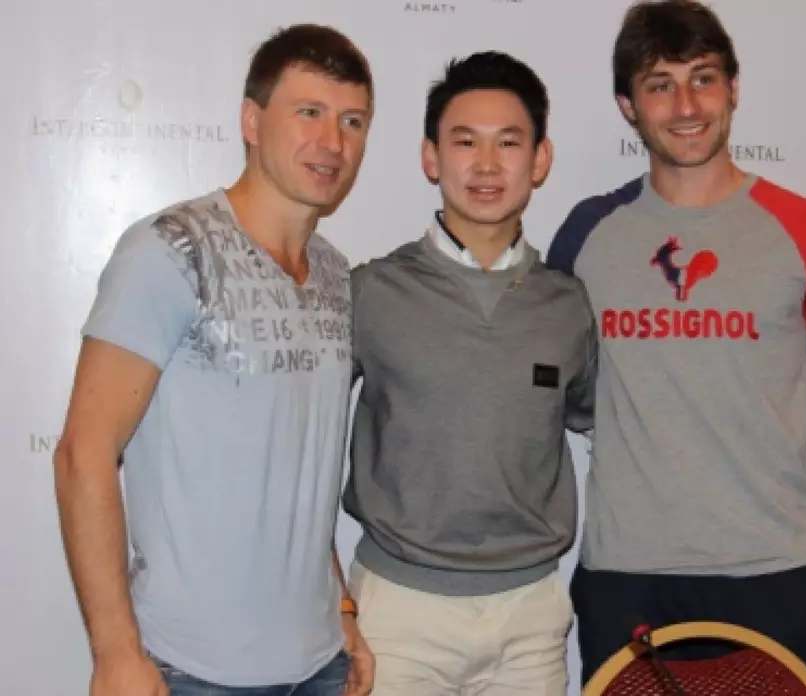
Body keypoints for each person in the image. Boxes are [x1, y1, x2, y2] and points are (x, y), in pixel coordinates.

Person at [546, 0, 806, 688]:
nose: (686, 105)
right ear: (627, 106)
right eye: (659, 84)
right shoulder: (586, 233)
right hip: (626, 579)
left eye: (702, 78)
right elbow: (550, 391)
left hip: (775, 577)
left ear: (732, 88)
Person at [53, 24, 376, 696]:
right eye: (309, 112)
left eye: (352, 121)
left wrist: (342, 608)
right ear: (252, 122)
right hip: (190, 671)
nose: (333, 141)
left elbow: (300, 468)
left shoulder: (334, 274)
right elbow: (84, 452)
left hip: (321, 664)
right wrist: (115, 653)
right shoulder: (172, 249)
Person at [343, 51, 597, 695]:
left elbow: (602, 424)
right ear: (432, 158)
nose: (486, 165)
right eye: (465, 142)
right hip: (397, 612)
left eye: (508, 143)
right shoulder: (370, 292)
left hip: (531, 616)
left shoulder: (568, 305)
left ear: (540, 160)